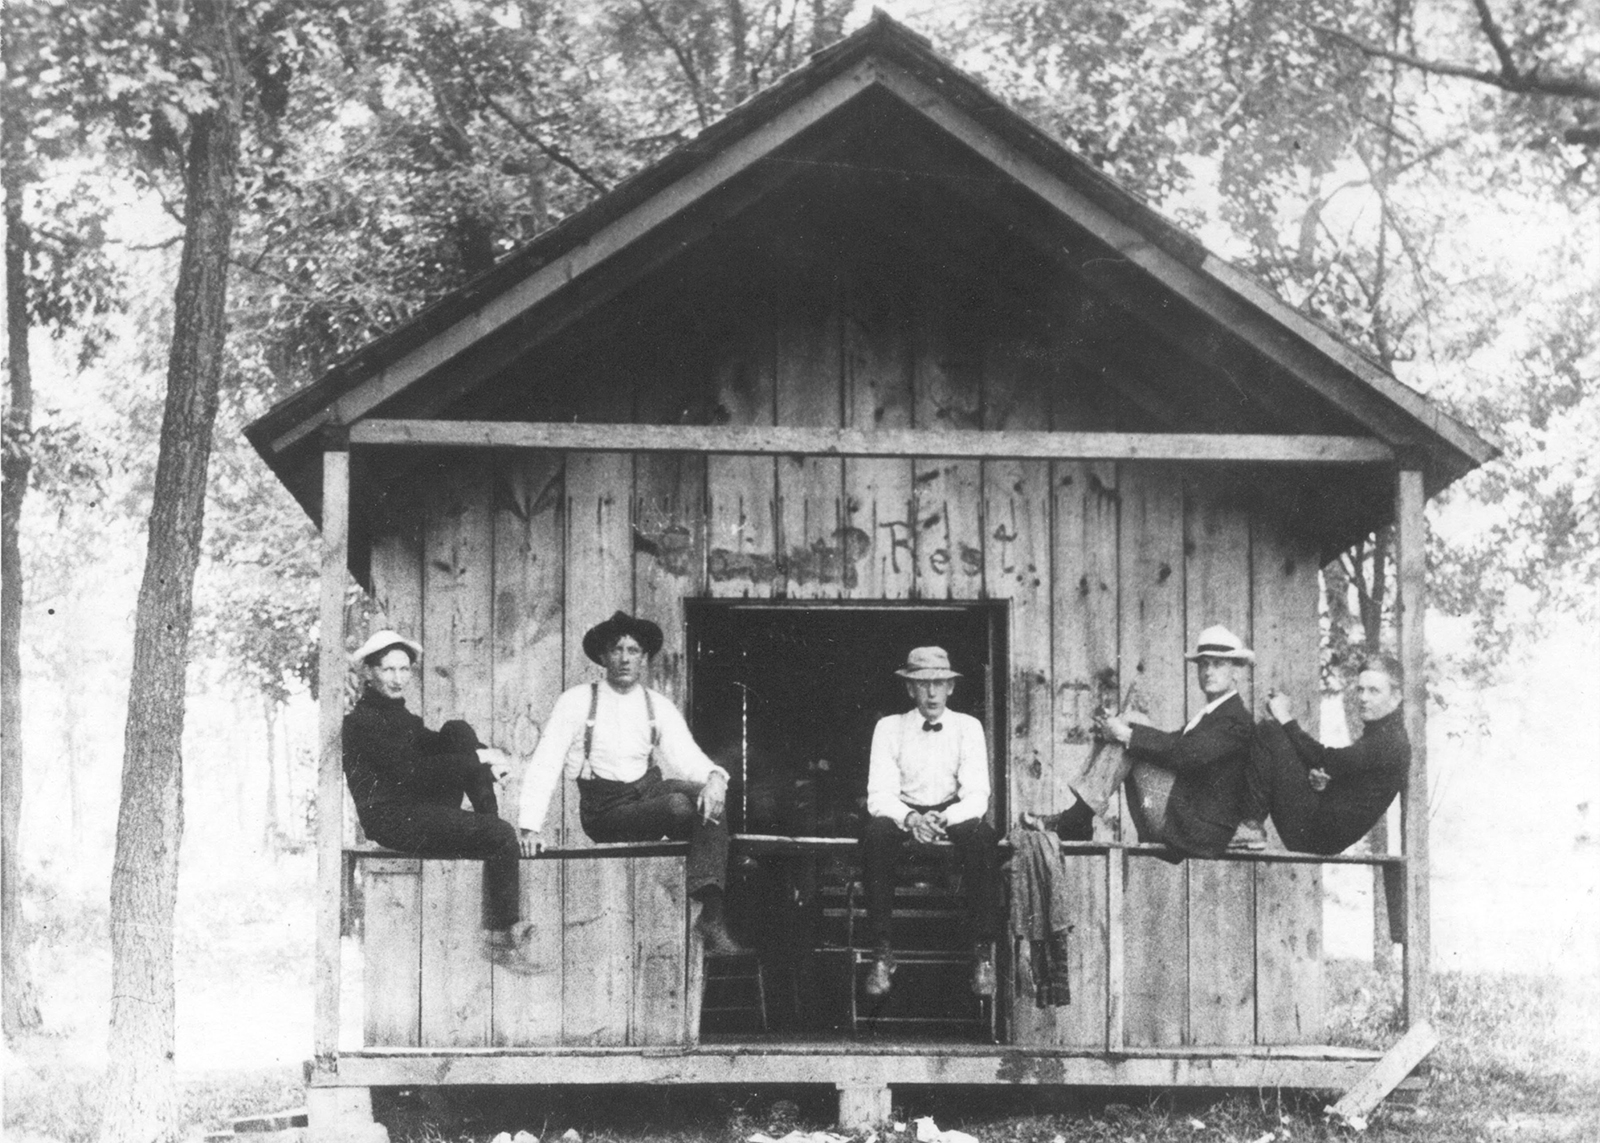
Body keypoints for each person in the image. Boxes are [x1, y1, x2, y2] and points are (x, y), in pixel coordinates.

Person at [517, 611, 741, 956]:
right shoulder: (577, 701)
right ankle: (700, 886)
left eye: (633, 650)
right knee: (680, 806)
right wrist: (530, 826)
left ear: (644, 658)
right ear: (604, 657)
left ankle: (710, 915)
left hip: (647, 793)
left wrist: (714, 778)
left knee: (709, 795)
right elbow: (545, 761)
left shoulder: (657, 706)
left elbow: (686, 756)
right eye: (617, 649)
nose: (624, 658)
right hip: (605, 810)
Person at [341, 630, 536, 972]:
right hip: (392, 820)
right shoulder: (362, 722)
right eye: (388, 670)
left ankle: (490, 822)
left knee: (457, 730)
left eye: (404, 670)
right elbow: (411, 771)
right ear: (369, 673)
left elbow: (437, 745)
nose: (398, 678)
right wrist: (482, 760)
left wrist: (484, 756)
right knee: (499, 833)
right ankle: (500, 938)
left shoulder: (401, 717)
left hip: (418, 808)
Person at [1026, 624, 1255, 859]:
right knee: (1131, 724)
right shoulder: (1214, 714)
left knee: (1130, 729)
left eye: (1218, 664)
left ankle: (1076, 819)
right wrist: (1123, 732)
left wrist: (1126, 735)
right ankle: (1078, 817)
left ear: (1236, 672)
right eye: (1204, 664)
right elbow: (1175, 745)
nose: (1208, 671)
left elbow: (1187, 754)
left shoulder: (1235, 720)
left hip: (1197, 830)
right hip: (1185, 818)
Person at [861, 646, 1002, 999]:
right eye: (924, 685)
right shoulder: (889, 728)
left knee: (983, 837)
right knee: (875, 833)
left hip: (949, 812)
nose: (933, 692)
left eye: (940, 683)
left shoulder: (968, 727)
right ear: (910, 689)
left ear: (951, 688)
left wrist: (942, 817)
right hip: (903, 809)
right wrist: (910, 818)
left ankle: (983, 953)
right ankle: (881, 951)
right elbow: (879, 795)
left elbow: (977, 794)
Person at [1244, 653, 1410, 854]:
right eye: (1360, 689)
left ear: (1396, 697)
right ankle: (1247, 826)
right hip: (1323, 830)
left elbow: (1325, 758)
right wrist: (1327, 784)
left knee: (1270, 731)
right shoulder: (1384, 733)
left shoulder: (1390, 740)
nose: (1363, 698)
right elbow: (1359, 783)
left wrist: (1284, 716)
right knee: (1275, 733)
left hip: (1317, 834)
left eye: (1374, 691)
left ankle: (1249, 826)